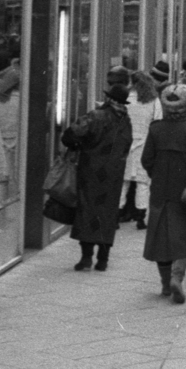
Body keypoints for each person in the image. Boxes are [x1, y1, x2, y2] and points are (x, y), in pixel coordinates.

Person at [141, 85, 186, 303]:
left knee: (160, 236)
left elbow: (146, 160)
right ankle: (177, 277)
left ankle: (165, 284)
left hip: (161, 189)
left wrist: (158, 174)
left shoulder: (156, 129)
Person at [61, 81, 133, 271]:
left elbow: (70, 135)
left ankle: (86, 258)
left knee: (88, 211)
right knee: (108, 214)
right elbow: (127, 145)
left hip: (91, 172)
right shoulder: (125, 120)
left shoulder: (96, 116)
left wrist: (78, 146)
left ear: (109, 98)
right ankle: (103, 259)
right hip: (113, 175)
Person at [120, 68, 163, 229]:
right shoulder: (153, 100)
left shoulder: (126, 98)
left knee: (123, 181)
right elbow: (158, 121)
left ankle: (118, 213)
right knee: (143, 182)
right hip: (145, 143)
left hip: (126, 143)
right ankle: (140, 217)